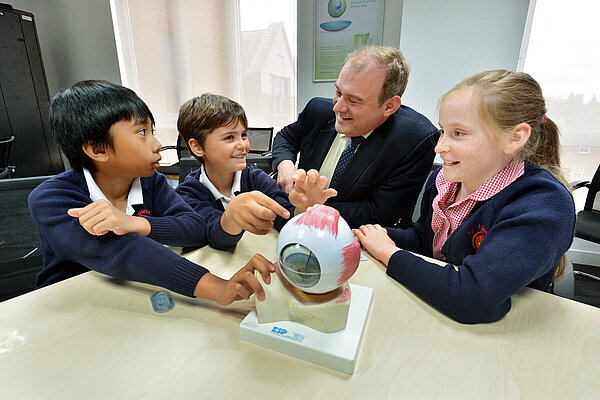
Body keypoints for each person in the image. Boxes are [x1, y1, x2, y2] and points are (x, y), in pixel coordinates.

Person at [353, 70, 575, 324]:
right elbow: (426, 241)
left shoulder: (542, 204)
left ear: (515, 137)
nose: (439, 147)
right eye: (442, 131)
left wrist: (389, 254)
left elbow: (474, 298)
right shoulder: (446, 182)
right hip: (439, 313)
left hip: (507, 334)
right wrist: (367, 235)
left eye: (458, 133)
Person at [29, 80, 274, 306]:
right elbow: (125, 251)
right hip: (71, 306)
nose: (157, 144)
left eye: (152, 131)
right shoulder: (52, 199)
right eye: (142, 133)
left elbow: (196, 228)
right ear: (98, 149)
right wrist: (217, 288)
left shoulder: (150, 182)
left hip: (130, 299)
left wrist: (137, 223)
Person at [271, 45, 439, 229]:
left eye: (354, 100)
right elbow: (285, 138)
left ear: (389, 106)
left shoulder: (414, 139)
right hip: (296, 226)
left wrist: (312, 207)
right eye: (338, 92)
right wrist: (285, 167)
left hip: (358, 239)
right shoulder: (317, 110)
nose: (337, 107)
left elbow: (381, 213)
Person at [175, 93, 336, 246]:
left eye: (243, 135)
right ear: (197, 147)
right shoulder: (187, 193)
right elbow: (216, 237)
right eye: (229, 137)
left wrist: (303, 208)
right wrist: (232, 215)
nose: (243, 145)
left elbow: (285, 217)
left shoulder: (256, 178)